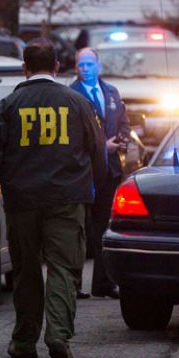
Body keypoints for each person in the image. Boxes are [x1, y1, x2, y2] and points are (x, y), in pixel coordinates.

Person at [0, 38, 106, 358]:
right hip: (67, 200)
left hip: (22, 202)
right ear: (56, 67)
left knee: (26, 271)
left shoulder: (8, 106)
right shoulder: (77, 103)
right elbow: (98, 150)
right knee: (63, 268)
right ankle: (58, 335)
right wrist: (93, 189)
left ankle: (24, 341)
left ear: (24, 68)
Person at [70, 48, 130, 300]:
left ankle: (103, 283)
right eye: (81, 65)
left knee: (105, 226)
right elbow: (71, 136)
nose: (85, 69)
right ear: (76, 67)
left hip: (110, 170)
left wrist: (123, 139)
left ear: (98, 66)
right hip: (83, 171)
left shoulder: (111, 92)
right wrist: (102, 146)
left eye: (89, 64)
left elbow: (123, 122)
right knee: (79, 228)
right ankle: (73, 284)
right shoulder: (71, 94)